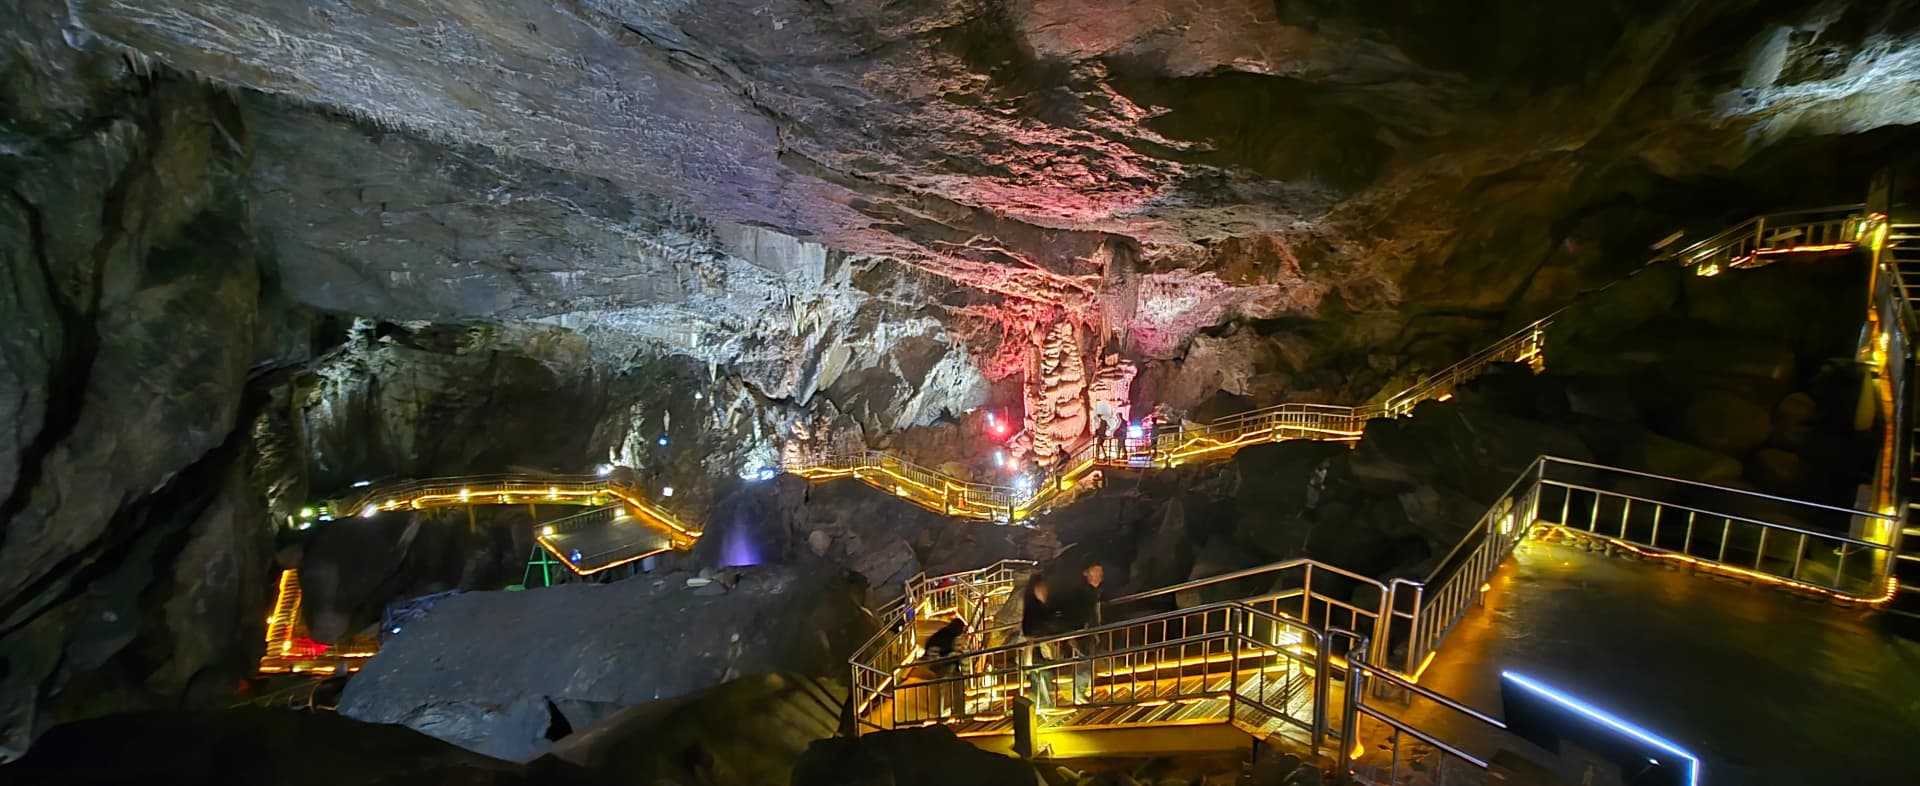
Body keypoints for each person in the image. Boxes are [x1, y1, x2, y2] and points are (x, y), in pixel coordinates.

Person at [919, 618, 969, 718]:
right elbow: (961, 655)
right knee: (957, 688)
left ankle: (939, 715)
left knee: (940, 689)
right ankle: (958, 714)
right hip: (946, 665)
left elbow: (929, 646)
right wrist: (966, 673)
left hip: (935, 665)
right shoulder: (955, 637)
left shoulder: (941, 634)